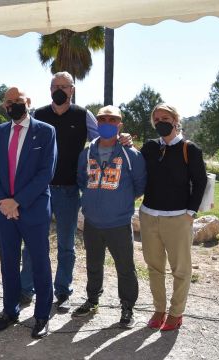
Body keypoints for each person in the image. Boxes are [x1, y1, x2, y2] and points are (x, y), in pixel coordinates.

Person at [19, 71, 98, 311]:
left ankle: (63, 289)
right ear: (49, 89)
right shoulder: (38, 115)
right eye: (56, 85)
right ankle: (26, 288)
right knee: (33, 242)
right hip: (39, 190)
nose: (60, 89)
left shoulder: (83, 115)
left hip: (68, 190)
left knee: (66, 244)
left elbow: (100, 141)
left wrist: (121, 139)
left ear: (72, 89)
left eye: (65, 85)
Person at [0, 87, 56, 339]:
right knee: (8, 262)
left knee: (39, 262)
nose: (14, 105)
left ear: (28, 102)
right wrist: (4, 202)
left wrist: (17, 202)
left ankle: (41, 316)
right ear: (4, 106)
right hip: (4, 210)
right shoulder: (0, 132)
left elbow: (45, 173)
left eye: (18, 101)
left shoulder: (46, 131)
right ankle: (9, 310)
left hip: (33, 209)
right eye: (9, 102)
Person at [73, 106, 146, 328]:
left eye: (112, 119)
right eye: (102, 119)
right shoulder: (86, 153)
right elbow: (81, 180)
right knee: (93, 264)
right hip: (92, 222)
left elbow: (139, 185)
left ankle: (127, 308)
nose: (106, 122)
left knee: (125, 268)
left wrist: (118, 201)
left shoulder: (131, 154)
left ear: (119, 125)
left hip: (119, 223)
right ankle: (93, 300)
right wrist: (95, 200)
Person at [139, 103, 207, 331]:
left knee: (181, 269)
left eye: (165, 118)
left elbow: (200, 182)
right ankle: (159, 310)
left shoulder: (190, 149)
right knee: (154, 267)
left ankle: (176, 313)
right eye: (156, 119)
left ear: (176, 120)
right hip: (149, 216)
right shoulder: (149, 148)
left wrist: (190, 213)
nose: (161, 122)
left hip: (178, 218)